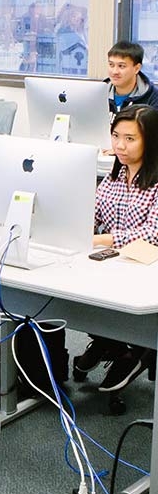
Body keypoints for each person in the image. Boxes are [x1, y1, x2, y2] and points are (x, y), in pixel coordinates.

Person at [73, 105, 158, 392]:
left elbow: (152, 233)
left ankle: (134, 350)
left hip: (145, 269)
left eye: (130, 138)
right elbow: (92, 213)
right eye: (115, 136)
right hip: (111, 265)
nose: (120, 145)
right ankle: (109, 342)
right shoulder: (113, 178)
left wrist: (101, 239)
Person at [105, 40, 158, 113]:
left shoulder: (152, 98)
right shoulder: (98, 94)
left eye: (121, 66)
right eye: (111, 65)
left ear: (137, 68)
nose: (115, 72)